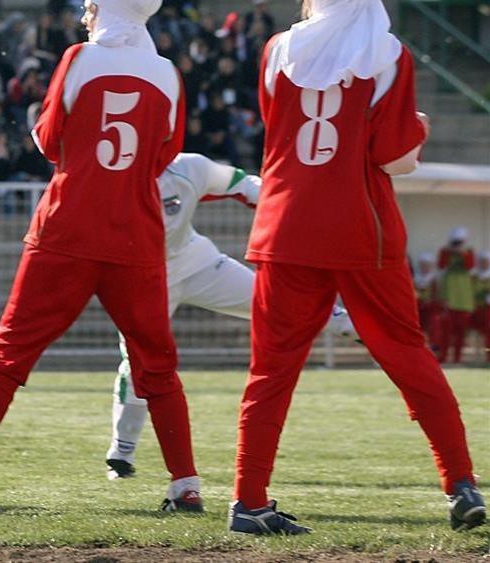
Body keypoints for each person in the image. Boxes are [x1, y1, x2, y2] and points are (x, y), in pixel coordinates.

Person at [230, 0, 483, 535]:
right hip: (359, 228)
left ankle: (249, 500)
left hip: (286, 225)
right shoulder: (390, 54)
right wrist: (416, 132)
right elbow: (393, 159)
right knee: (408, 356)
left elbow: (283, 135)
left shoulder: (276, 49)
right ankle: (461, 483)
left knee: (270, 372)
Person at [0, 0, 195, 514]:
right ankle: (185, 485)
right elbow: (165, 155)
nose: (85, 16)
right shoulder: (167, 73)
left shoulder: (79, 59)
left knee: (7, 356)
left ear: (105, 7)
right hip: (135, 237)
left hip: (67, 228)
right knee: (157, 366)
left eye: (90, 6)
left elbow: (49, 142)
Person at [104, 153, 355, 481]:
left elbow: (241, 184)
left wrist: (283, 202)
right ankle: (122, 452)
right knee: (137, 364)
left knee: (272, 302)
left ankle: (350, 324)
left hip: (196, 262)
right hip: (143, 281)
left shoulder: (188, 167)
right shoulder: (108, 178)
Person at [438, 227, 477, 363]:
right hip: (449, 295)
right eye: (456, 242)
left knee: (461, 330)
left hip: (464, 297)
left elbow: (470, 266)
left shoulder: (469, 252)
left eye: (460, 242)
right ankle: (443, 357)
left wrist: (463, 253)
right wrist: (449, 251)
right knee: (446, 331)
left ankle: (457, 358)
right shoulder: (445, 251)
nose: (457, 244)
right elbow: (441, 265)